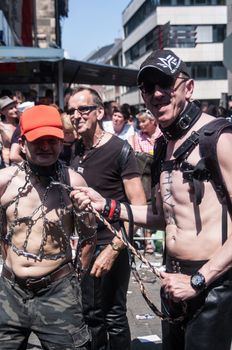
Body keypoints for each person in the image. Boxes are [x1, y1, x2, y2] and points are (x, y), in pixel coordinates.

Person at [72, 49, 232, 350]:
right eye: (148, 87)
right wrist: (106, 204)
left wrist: (198, 280)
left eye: (165, 84)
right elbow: (162, 217)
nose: (157, 93)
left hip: (212, 284)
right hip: (172, 280)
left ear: (189, 87)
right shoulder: (163, 147)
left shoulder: (219, 138)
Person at [0, 104, 96, 349]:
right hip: (10, 291)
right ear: (22, 144)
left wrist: (74, 279)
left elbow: (88, 237)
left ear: (61, 142)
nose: (45, 147)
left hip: (58, 291)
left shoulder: (73, 182)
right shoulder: (6, 181)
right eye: (37, 141)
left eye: (51, 140)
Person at [67, 86, 146, 350]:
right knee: (90, 315)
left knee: (113, 316)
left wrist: (114, 249)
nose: (76, 115)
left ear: (100, 112)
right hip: (82, 246)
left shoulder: (119, 149)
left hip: (111, 244)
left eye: (83, 109)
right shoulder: (73, 150)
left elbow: (138, 207)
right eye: (71, 111)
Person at [134, 109, 162, 254]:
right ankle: (147, 242)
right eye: (139, 121)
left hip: (158, 173)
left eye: (143, 121)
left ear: (153, 122)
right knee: (145, 204)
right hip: (144, 175)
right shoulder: (137, 137)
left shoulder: (161, 135)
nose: (140, 124)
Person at [0, 96, 19, 167]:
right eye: (11, 108)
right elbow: (6, 145)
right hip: (7, 164)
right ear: (2, 112)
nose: (15, 110)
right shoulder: (1, 126)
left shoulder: (20, 124)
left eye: (15, 107)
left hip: (21, 162)